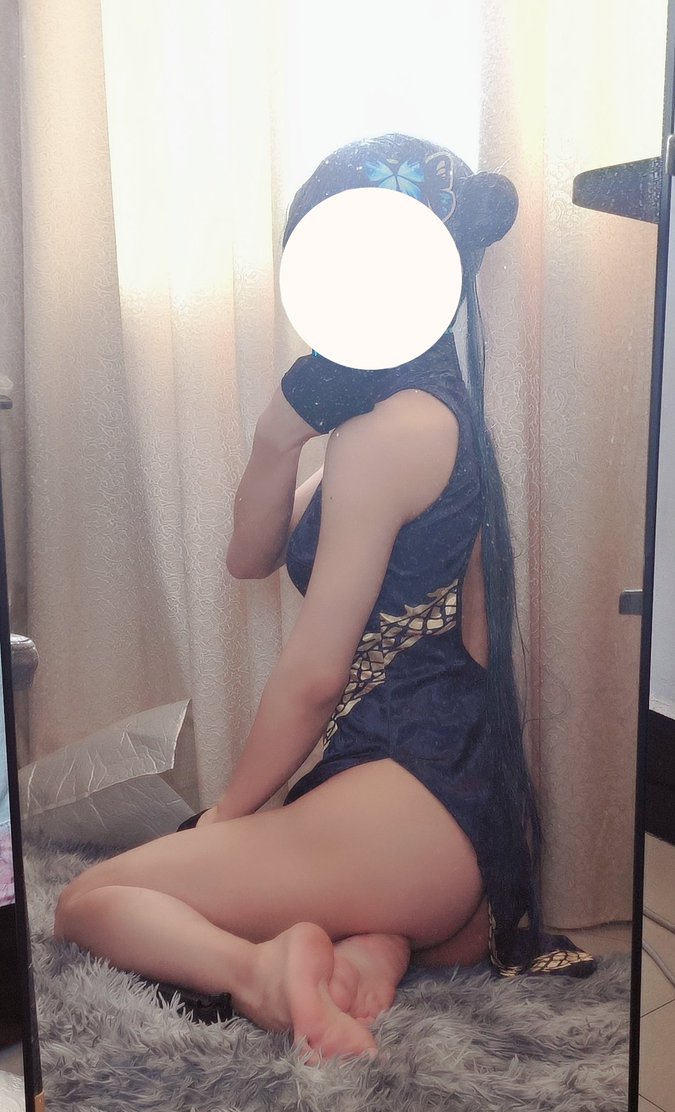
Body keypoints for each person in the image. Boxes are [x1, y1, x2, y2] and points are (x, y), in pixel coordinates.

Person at [54, 134, 594, 1063]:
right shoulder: (424, 417)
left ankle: (261, 972)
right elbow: (249, 556)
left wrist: (228, 815)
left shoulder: (390, 434)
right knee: (282, 885)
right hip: (450, 835)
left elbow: (314, 676)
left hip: (409, 814)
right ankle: (375, 948)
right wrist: (277, 435)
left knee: (90, 901)